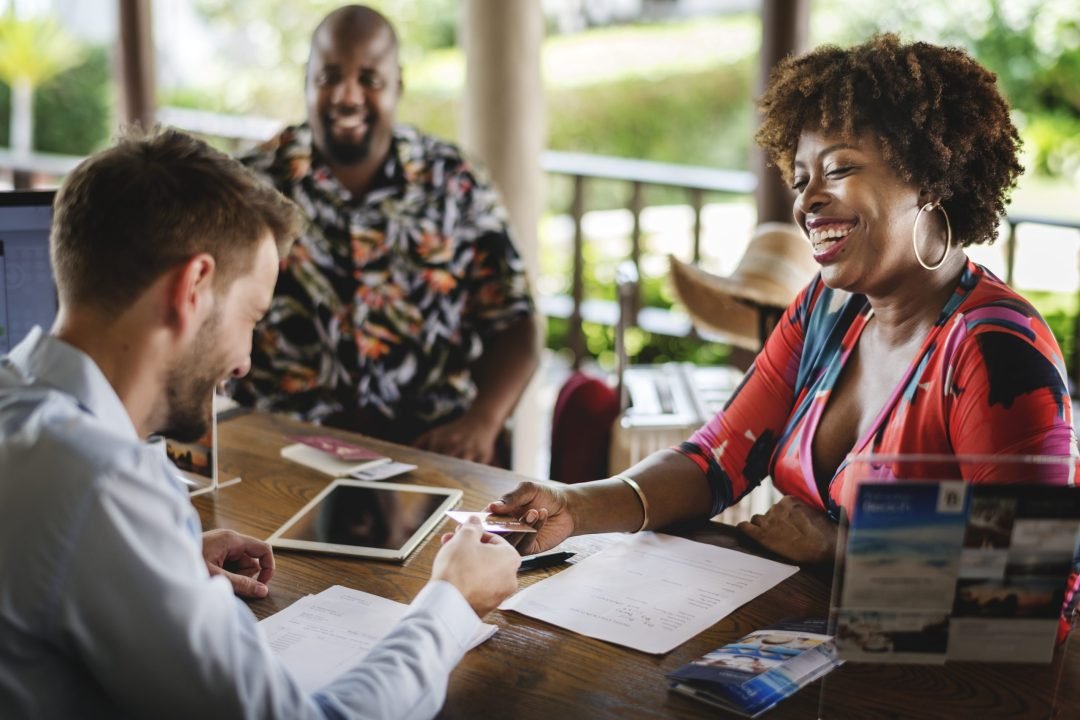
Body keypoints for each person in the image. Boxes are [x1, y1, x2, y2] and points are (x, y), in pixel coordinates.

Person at [491, 34, 1077, 566]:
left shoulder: (997, 350)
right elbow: (714, 460)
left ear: (930, 179)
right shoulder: (825, 311)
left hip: (943, 684)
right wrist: (574, 506)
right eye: (801, 179)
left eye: (839, 168)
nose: (808, 201)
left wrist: (842, 548)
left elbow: (1039, 575)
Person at [0, 128, 521, 719]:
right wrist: (451, 601)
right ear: (192, 288)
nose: (246, 360)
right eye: (252, 315)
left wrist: (155, 562)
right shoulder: (99, 485)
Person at [231, 4, 540, 467]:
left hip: (427, 451)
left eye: (369, 79)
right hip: (282, 453)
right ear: (306, 79)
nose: (347, 96)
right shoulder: (251, 188)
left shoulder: (454, 182)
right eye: (329, 76)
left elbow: (517, 324)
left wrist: (483, 421)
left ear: (398, 83)